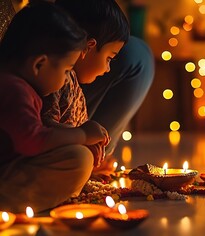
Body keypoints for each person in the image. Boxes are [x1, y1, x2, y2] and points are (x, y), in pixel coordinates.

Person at [0, 2, 109, 213]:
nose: (67, 78)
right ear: (39, 64)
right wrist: (82, 135)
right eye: (67, 69)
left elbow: (35, 130)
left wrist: (74, 134)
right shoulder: (14, 90)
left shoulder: (18, 86)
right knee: (78, 160)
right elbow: (33, 142)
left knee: (78, 154)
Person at [41, 0, 155, 175]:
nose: (108, 68)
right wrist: (83, 135)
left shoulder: (72, 82)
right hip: (54, 158)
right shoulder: (56, 81)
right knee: (80, 159)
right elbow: (44, 129)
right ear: (88, 47)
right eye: (109, 58)